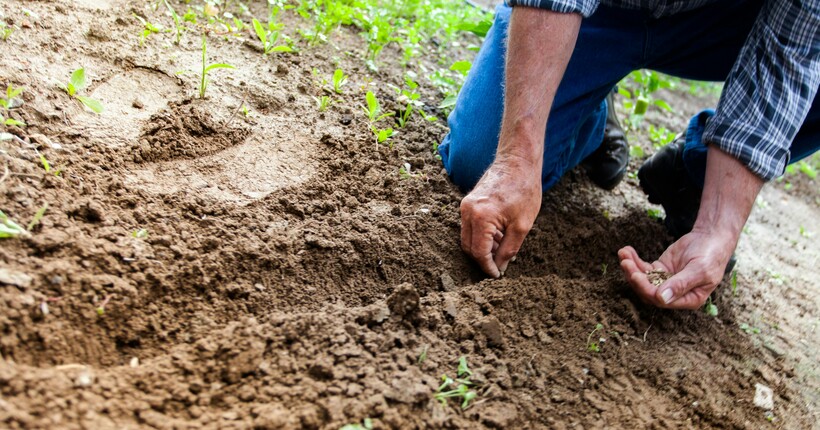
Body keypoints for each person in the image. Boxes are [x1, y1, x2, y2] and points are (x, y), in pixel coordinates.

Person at [438, 0, 819, 310]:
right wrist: (516, 158)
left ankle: (695, 176)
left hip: (723, 22)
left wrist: (717, 227)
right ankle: (590, 114)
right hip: (600, 11)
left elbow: (792, 53)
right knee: (481, 159)